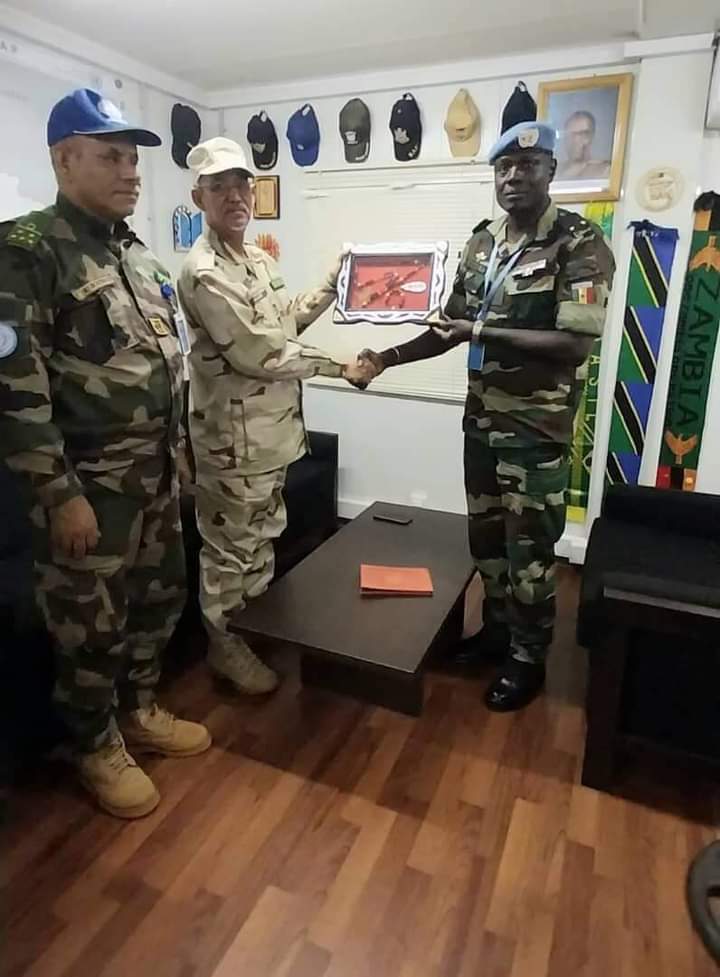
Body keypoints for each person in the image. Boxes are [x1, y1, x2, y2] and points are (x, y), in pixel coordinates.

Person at [0, 89, 211, 819]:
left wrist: (180, 456)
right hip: (89, 487)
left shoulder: (139, 257)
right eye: (111, 157)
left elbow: (165, 365)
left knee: (160, 599)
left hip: (154, 476)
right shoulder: (27, 252)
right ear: (64, 159)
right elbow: (15, 388)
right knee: (92, 625)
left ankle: (139, 710)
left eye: (132, 159)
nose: (131, 172)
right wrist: (60, 494)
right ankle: (93, 744)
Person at [356, 121, 615, 712]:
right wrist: (386, 358)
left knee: (531, 554)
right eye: (503, 168)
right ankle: (497, 635)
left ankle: (528, 658)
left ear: (551, 172)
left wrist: (481, 331)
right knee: (488, 543)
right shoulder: (482, 244)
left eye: (528, 165)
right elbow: (448, 328)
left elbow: (574, 344)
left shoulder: (579, 243)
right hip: (481, 425)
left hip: (535, 433)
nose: (514, 177)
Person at [178, 138, 365, 695]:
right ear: (199, 198)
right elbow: (260, 354)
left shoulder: (257, 259)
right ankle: (224, 645)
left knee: (261, 538)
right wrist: (340, 366)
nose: (234, 195)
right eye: (218, 187)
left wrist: (333, 283)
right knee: (229, 550)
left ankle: (251, 629)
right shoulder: (205, 272)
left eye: (241, 184)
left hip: (271, 435)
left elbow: (283, 324)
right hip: (231, 443)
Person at [556, 110, 610, 181]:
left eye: (582, 134)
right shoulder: (556, 170)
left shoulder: (604, 170)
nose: (576, 140)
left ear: (591, 137)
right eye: (571, 135)